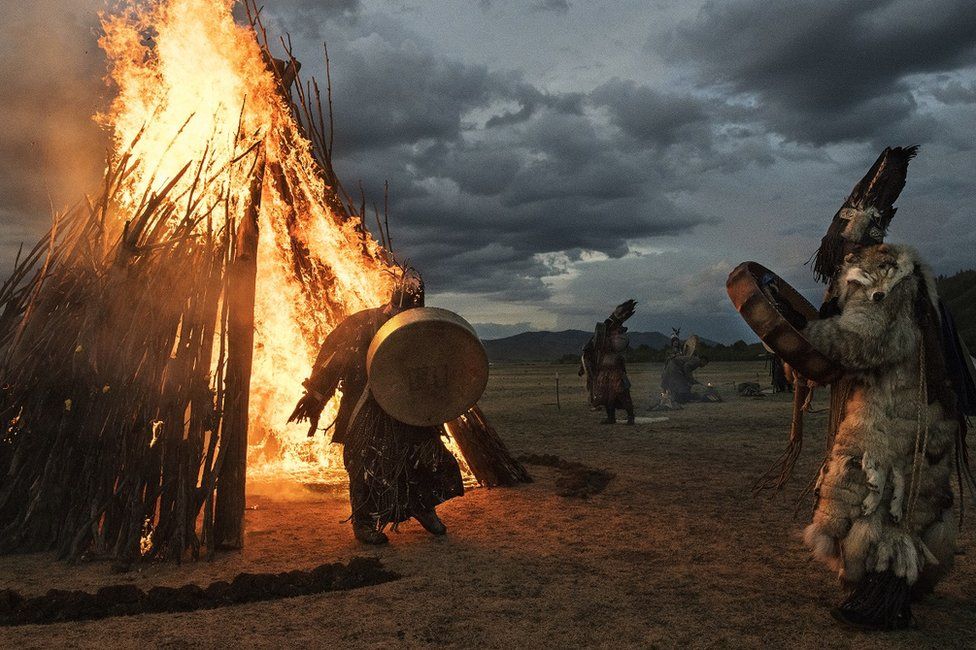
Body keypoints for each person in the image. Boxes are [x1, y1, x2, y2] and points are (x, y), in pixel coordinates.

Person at [288, 269, 464, 545]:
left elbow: (439, 364)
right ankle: (364, 522)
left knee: (427, 459)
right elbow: (333, 359)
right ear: (391, 304)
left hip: (411, 408)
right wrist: (316, 396)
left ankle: (421, 506)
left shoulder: (423, 327)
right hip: (366, 407)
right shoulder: (361, 323)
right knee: (364, 465)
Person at [583, 300, 637, 425]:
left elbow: (618, 347)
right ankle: (611, 417)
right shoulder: (602, 333)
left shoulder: (620, 336)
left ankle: (630, 417)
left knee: (622, 393)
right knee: (606, 395)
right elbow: (591, 347)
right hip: (603, 368)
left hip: (615, 369)